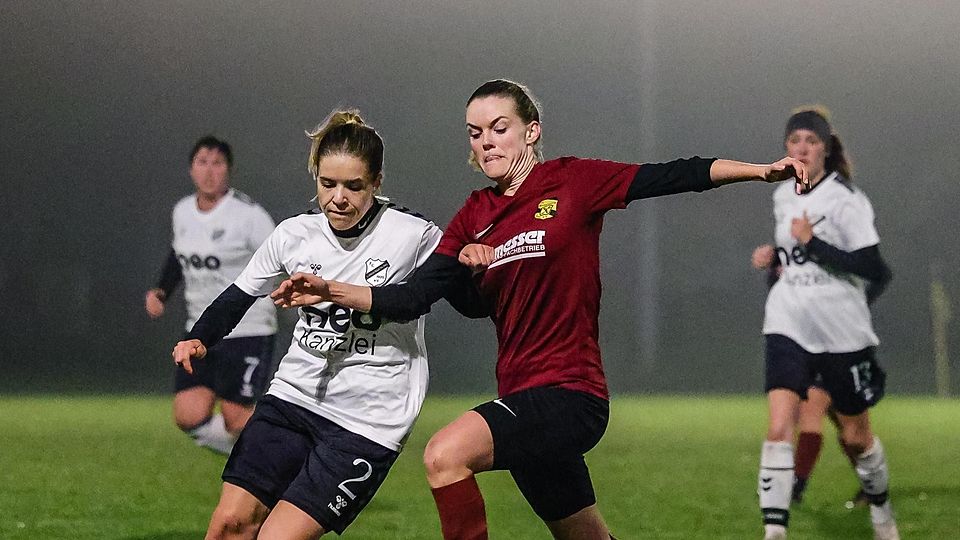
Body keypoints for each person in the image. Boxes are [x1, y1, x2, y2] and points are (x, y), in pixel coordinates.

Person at [271, 79, 809, 540]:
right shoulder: (474, 214)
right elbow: (417, 298)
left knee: (444, 456)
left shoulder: (573, 181)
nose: (486, 142)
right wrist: (450, 272)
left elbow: (674, 174)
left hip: (571, 396)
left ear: (531, 131)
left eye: (498, 127)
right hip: (521, 399)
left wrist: (760, 171)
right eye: (475, 133)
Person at [172, 110, 482, 539]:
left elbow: (418, 301)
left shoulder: (413, 235)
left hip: (368, 420)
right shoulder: (294, 234)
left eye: (354, 186)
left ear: (376, 182)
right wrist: (199, 337)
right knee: (230, 525)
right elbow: (240, 293)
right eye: (327, 184)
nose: (338, 198)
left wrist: (473, 265)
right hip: (293, 397)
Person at [751, 108, 896, 540]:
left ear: (825, 149)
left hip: (840, 330)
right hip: (788, 321)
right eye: (794, 140)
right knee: (780, 426)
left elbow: (873, 266)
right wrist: (774, 258)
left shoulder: (846, 199)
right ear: (785, 147)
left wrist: (813, 245)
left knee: (855, 436)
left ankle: (883, 514)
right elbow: (792, 256)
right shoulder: (782, 195)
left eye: (810, 141)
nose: (801, 148)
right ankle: (774, 533)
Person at [146, 135, 277, 455]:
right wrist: (162, 291)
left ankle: (272, 464)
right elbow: (179, 256)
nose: (209, 171)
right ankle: (263, 460)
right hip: (199, 330)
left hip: (247, 328)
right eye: (202, 162)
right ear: (191, 169)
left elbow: (279, 257)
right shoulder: (182, 212)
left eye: (217, 163)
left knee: (237, 418)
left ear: (228, 171)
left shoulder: (248, 215)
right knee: (188, 415)